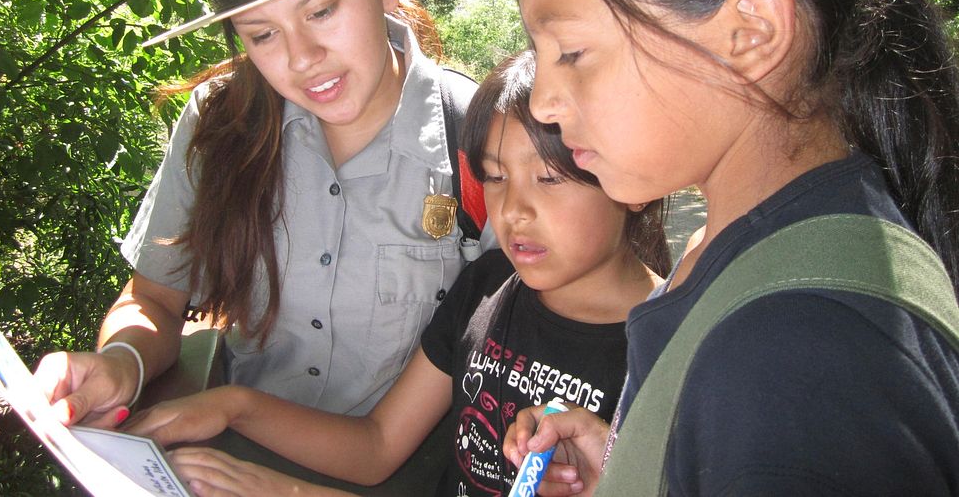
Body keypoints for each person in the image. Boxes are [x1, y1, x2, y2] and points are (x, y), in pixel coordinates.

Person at [498, 0, 959, 496]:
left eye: (572, 52)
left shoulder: (798, 362)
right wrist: (639, 462)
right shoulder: (745, 248)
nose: (545, 101)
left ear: (748, 35)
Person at [34, 0, 495, 428]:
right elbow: (154, 299)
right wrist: (122, 361)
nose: (302, 60)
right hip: (229, 450)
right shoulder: (221, 124)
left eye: (321, 10)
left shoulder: (478, 135)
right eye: (262, 35)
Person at [121, 50, 670, 497]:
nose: (512, 211)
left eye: (548, 179)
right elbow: (377, 445)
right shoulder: (488, 287)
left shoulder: (665, 350)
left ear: (628, 176)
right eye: (496, 178)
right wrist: (231, 407)